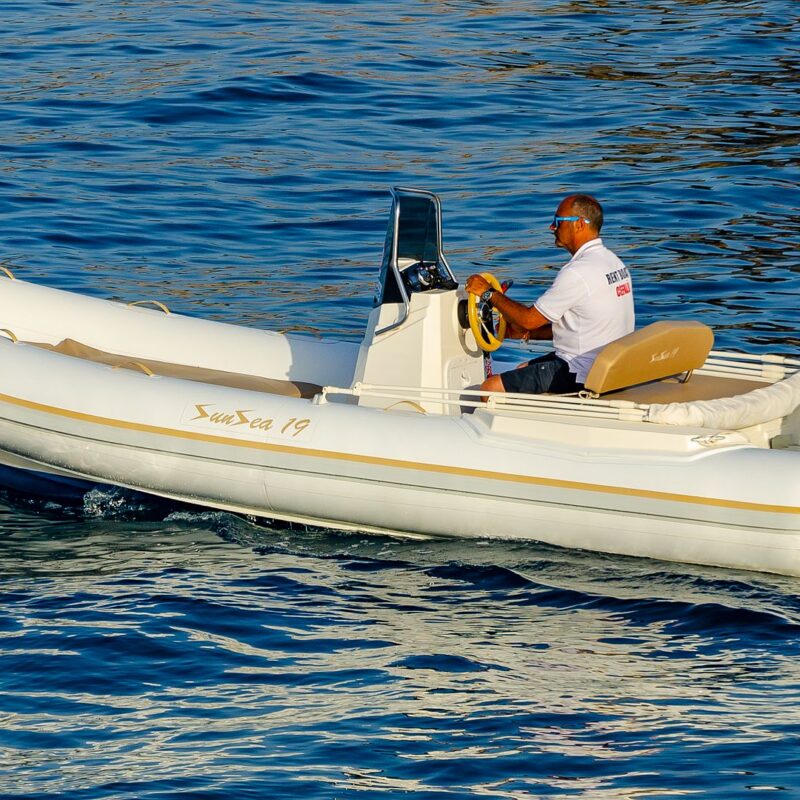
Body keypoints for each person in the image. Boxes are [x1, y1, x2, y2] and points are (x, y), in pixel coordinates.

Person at [466, 194, 634, 396]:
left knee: (490, 389)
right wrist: (528, 334)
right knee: (521, 370)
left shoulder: (577, 272)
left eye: (557, 222)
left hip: (580, 371)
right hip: (606, 364)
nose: (551, 228)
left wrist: (488, 293)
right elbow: (586, 325)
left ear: (579, 225)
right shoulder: (614, 263)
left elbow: (529, 320)